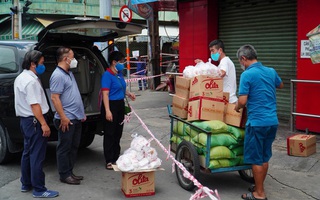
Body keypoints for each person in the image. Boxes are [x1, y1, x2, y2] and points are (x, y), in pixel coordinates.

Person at [235, 44, 283, 200]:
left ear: (243, 58)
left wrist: (236, 107)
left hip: (257, 123)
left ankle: (259, 194)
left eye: (240, 61)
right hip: (272, 122)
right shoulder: (271, 71)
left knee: (256, 159)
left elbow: (242, 101)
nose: (241, 65)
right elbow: (280, 84)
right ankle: (258, 186)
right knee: (264, 157)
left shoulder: (247, 75)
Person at [14, 50, 59, 198]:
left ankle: (26, 183)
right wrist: (44, 124)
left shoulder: (21, 77)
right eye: (41, 63)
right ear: (33, 64)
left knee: (27, 153)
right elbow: (35, 105)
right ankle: (39, 189)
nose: (43, 66)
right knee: (36, 156)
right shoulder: (31, 81)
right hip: (34, 121)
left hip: (25, 121)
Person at [50, 47, 86, 185]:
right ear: (66, 59)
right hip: (66, 119)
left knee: (73, 146)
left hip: (75, 117)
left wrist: (81, 113)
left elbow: (74, 94)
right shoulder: (57, 75)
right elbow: (55, 98)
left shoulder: (68, 73)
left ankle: (70, 172)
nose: (74, 60)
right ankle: (64, 175)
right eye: (73, 57)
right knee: (64, 147)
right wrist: (63, 117)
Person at [100, 51, 136, 170]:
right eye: (121, 61)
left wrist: (129, 93)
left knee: (118, 132)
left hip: (120, 105)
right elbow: (105, 94)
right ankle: (109, 159)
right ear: (114, 62)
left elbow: (121, 87)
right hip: (110, 105)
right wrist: (107, 111)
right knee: (110, 133)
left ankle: (116, 156)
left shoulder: (119, 74)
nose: (123, 64)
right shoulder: (107, 75)